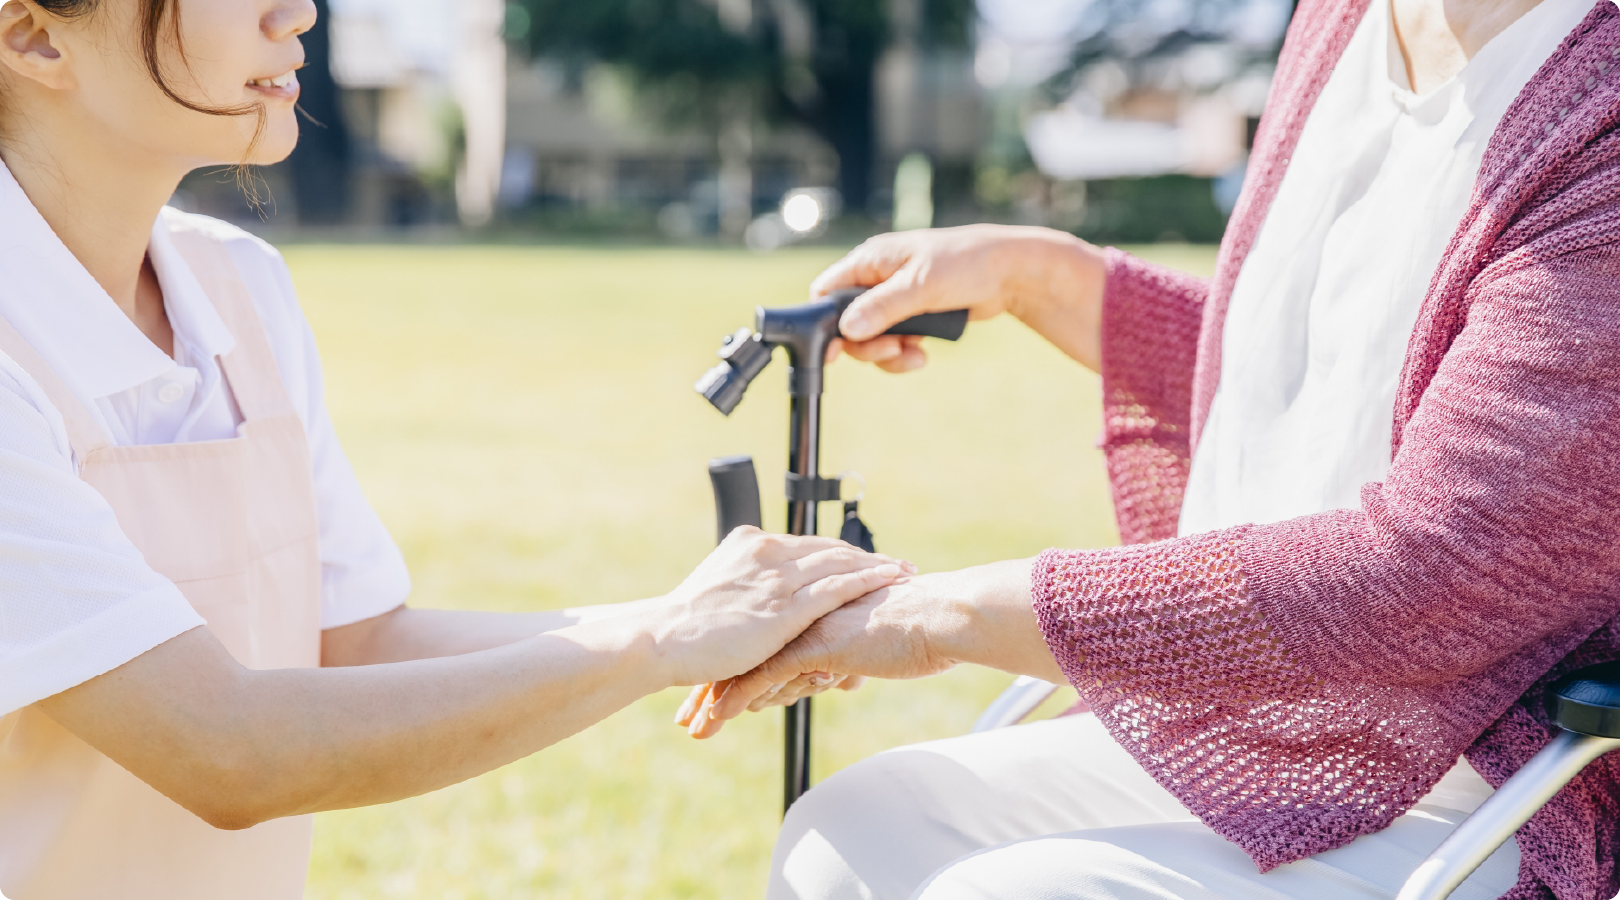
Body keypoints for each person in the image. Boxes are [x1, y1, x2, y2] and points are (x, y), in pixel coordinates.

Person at [679, 0, 1620, 896]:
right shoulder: (1342, 21)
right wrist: (1040, 278)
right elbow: (1329, 381)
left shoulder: (1598, 103)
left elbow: (1425, 576)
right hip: (1267, 728)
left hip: (1492, 788)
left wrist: (937, 616)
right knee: (845, 835)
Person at [0, 0, 909, 897]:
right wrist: (661, 639)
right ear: (34, 36)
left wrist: (707, 620)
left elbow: (353, 643)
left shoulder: (236, 284)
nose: (296, 13)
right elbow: (224, 748)